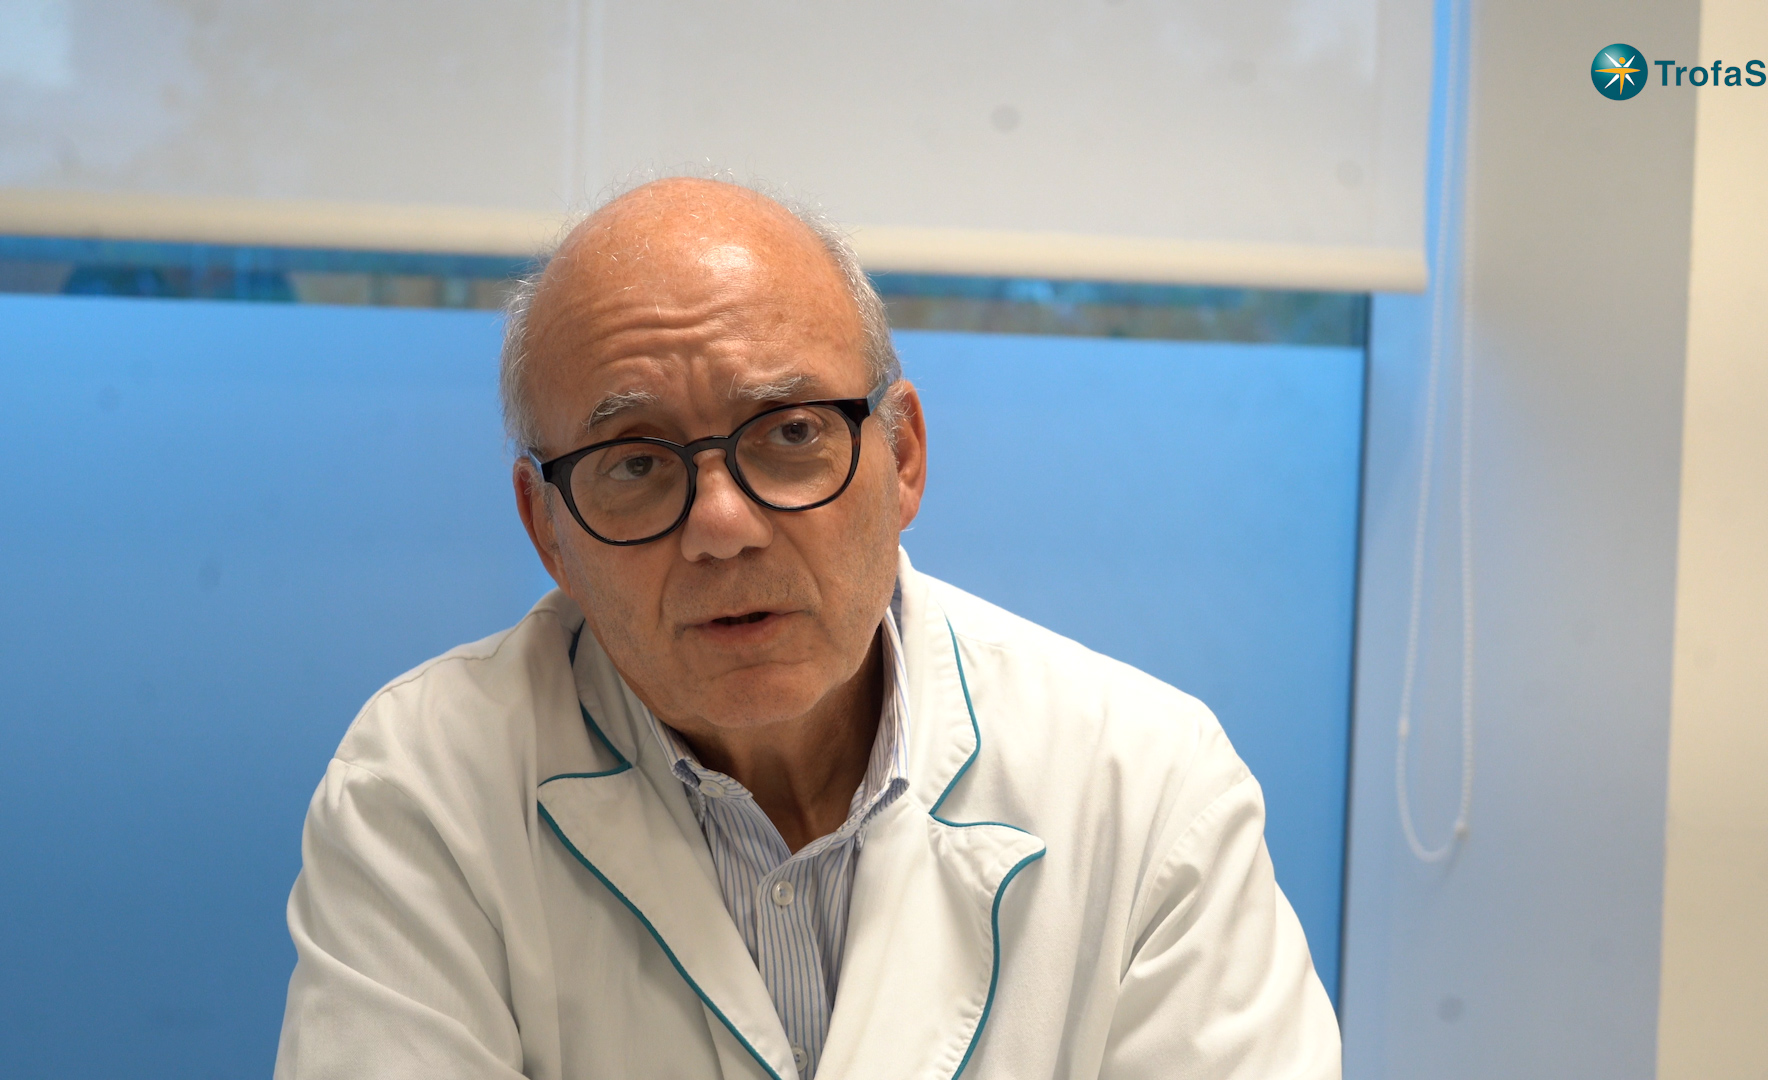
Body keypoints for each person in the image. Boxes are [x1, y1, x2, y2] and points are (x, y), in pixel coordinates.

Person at [275, 177, 1339, 1080]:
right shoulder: (425, 788)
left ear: (903, 456)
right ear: (546, 526)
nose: (722, 526)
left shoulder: (1145, 785)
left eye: (788, 434)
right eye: (635, 462)